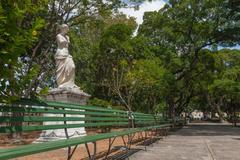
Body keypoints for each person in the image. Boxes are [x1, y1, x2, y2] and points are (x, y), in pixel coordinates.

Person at [55, 24, 79, 89]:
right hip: (60, 54)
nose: (68, 30)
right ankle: (61, 83)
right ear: (63, 28)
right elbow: (61, 43)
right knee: (60, 70)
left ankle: (70, 83)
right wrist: (66, 41)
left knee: (72, 67)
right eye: (67, 28)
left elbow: (67, 44)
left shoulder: (67, 37)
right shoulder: (58, 35)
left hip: (67, 54)